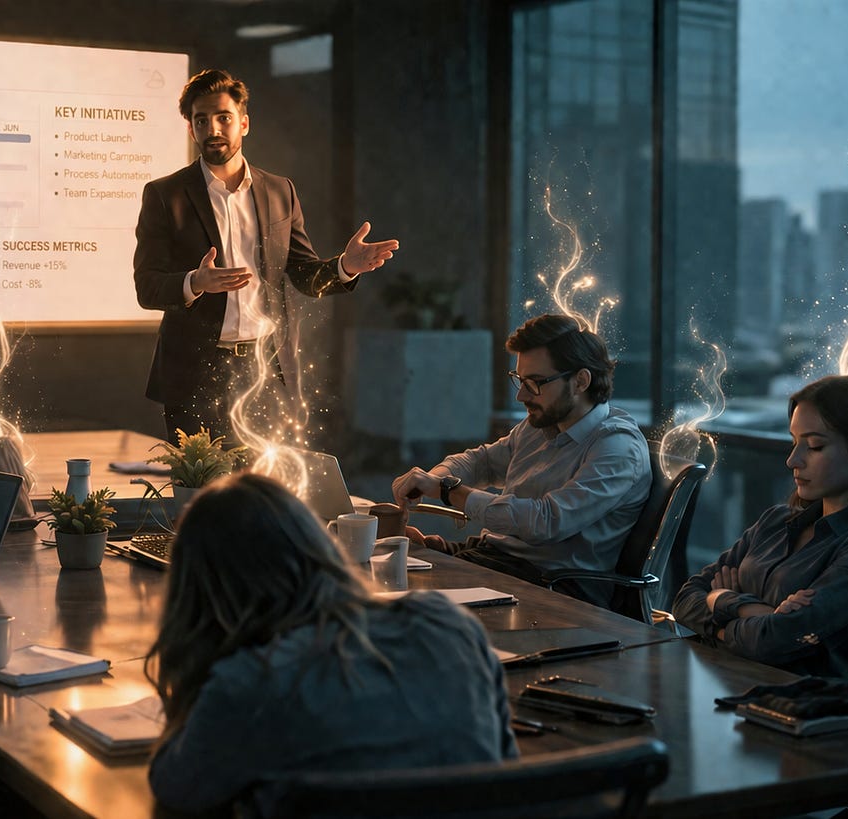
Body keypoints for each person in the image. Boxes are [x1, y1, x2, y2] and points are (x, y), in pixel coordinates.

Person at [145, 473, 516, 814]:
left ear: (202, 594)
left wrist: (190, 679)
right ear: (320, 547)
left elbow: (176, 787)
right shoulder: (449, 626)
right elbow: (505, 767)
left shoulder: (250, 683)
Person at [134, 68, 399, 443]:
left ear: (244, 123)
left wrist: (344, 267)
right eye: (201, 120)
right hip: (194, 376)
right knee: (201, 495)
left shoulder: (279, 191)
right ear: (190, 129)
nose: (213, 129)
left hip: (265, 373)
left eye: (223, 118)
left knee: (262, 492)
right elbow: (146, 287)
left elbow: (304, 274)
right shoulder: (165, 195)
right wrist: (195, 282)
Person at [670, 375, 848, 677]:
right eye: (794, 442)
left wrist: (718, 602)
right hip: (723, 681)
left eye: (815, 446)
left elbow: (774, 641)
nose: (793, 460)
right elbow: (684, 600)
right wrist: (749, 608)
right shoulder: (776, 522)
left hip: (800, 706)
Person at [391, 313, 651, 606]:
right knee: (383, 573)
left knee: (402, 606)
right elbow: (482, 463)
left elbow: (546, 521)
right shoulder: (539, 425)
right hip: (496, 563)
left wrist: (448, 490)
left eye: (536, 383)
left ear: (580, 381)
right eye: (520, 381)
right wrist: (433, 478)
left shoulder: (617, 448)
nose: (522, 396)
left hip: (551, 589)